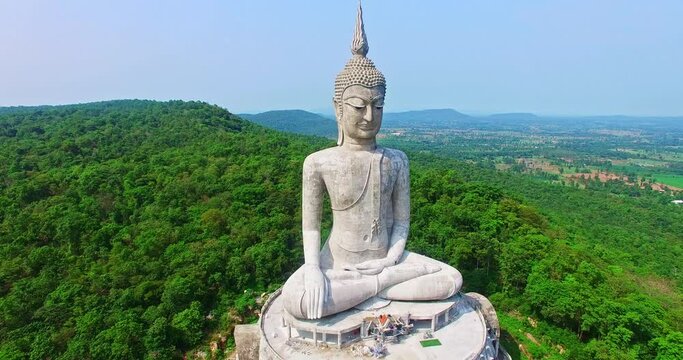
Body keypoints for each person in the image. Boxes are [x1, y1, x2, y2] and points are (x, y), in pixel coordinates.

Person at [282, 3, 462, 320]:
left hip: (387, 261)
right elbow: (311, 228)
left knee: (452, 279)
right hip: (337, 264)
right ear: (338, 108)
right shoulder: (319, 163)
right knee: (296, 298)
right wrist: (312, 268)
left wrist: (390, 260)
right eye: (358, 106)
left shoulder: (397, 160)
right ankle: (381, 286)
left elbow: (402, 223)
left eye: (378, 106)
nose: (369, 116)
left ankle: (375, 284)